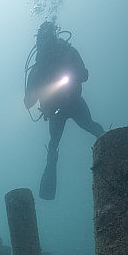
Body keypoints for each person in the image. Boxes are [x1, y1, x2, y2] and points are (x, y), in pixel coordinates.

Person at [24, 21, 104, 199]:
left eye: (47, 40)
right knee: (56, 143)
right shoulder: (38, 69)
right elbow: (28, 102)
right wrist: (34, 93)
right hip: (56, 110)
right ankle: (48, 188)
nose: (45, 45)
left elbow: (84, 75)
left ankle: (111, 150)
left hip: (72, 103)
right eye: (43, 41)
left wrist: (70, 74)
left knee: (89, 128)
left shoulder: (68, 53)